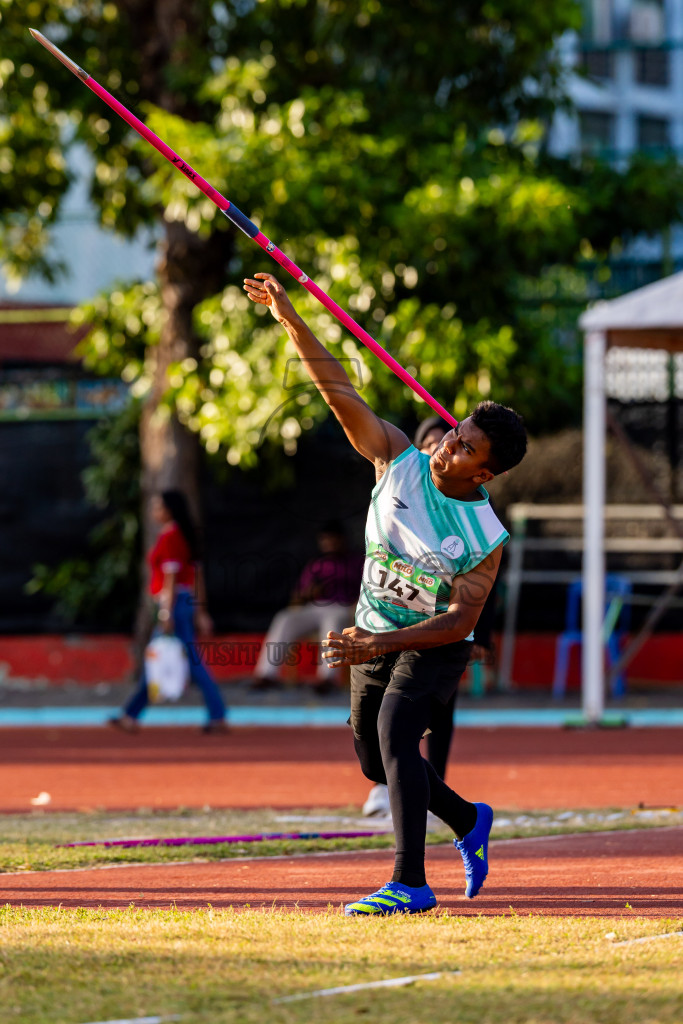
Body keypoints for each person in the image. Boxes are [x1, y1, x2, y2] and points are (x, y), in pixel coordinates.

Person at [243, 272, 527, 916]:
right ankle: (467, 818)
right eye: (453, 431)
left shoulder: (484, 536)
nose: (446, 443)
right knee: (376, 762)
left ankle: (410, 883)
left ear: (483, 473)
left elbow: (458, 623)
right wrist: (289, 318)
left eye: (464, 448)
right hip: (373, 629)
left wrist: (382, 640)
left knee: (399, 732)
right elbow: (337, 390)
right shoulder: (398, 457)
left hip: (430, 642)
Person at [109, 489, 228, 735]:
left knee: (191, 661)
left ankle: (217, 714)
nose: (154, 511)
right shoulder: (183, 536)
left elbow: (171, 579)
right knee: (160, 658)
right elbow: (196, 577)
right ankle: (131, 714)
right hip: (181, 604)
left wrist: (166, 613)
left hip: (173, 605)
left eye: (157, 507)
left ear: (168, 510)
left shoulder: (171, 537)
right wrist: (200, 611)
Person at [251, 521, 363, 691]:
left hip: (343, 607)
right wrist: (309, 593)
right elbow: (298, 596)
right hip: (315, 606)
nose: (329, 544)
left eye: (333, 539)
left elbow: (366, 590)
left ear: (342, 540)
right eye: (325, 540)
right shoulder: (316, 564)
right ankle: (266, 675)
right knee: (284, 618)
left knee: (331, 623)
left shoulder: (356, 562)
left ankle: (327, 678)